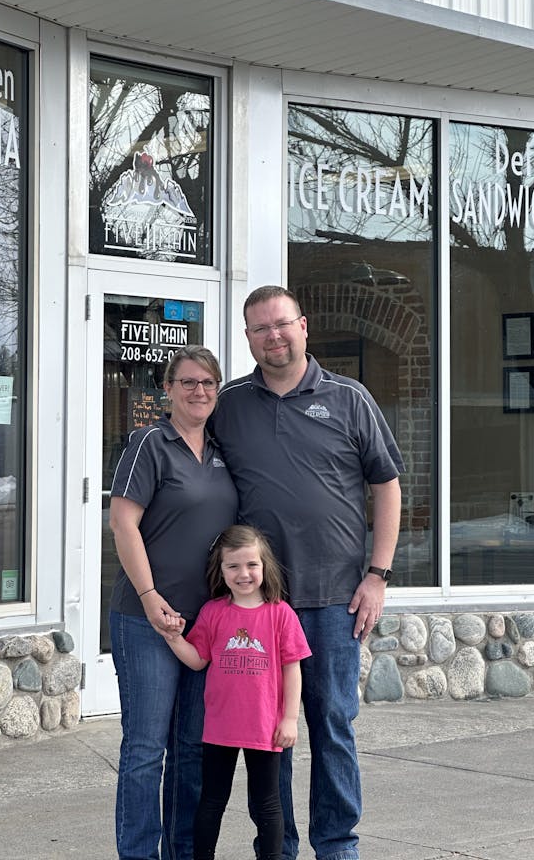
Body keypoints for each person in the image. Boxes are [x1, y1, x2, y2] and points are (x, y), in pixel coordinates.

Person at [212, 286, 404, 860]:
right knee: (270, 735)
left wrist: (378, 574)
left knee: (332, 729)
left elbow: (386, 485)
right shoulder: (229, 403)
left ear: (303, 326)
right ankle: (279, 846)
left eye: (282, 324)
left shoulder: (349, 398)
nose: (273, 336)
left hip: (333, 600)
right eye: (260, 329)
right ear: (248, 339)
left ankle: (337, 846)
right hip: (260, 606)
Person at [108, 345, 238, 860]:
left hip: (204, 624)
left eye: (208, 383)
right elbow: (123, 523)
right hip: (147, 622)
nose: (199, 392)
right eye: (188, 382)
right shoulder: (149, 443)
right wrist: (149, 596)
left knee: (191, 750)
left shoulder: (223, 450)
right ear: (168, 388)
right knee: (145, 751)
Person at [163, 524, 312, 860]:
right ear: (221, 570)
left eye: (251, 565)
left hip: (265, 726)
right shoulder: (213, 612)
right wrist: (174, 638)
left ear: (264, 567)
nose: (243, 573)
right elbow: (198, 660)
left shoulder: (280, 614)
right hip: (220, 727)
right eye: (233, 566)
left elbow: (293, 668)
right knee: (212, 800)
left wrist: (289, 719)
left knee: (267, 802)